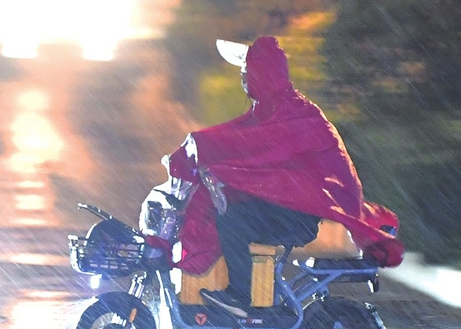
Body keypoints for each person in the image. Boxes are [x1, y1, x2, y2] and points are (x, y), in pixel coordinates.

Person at [167, 35, 404, 312]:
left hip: (296, 217)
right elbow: (240, 142)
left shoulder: (295, 113)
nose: (242, 78)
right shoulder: (268, 110)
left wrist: (211, 157)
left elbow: (257, 150)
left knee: (232, 223)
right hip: (283, 209)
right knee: (225, 214)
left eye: (247, 71)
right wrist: (202, 152)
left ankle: (241, 300)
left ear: (261, 74)